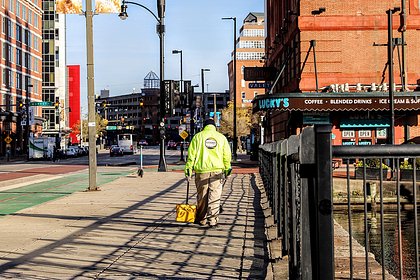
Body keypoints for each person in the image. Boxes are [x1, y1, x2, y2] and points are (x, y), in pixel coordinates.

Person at [185, 118, 232, 228]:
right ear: (214, 127)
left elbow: (191, 156)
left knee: (202, 196)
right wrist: (227, 169)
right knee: (215, 195)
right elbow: (226, 156)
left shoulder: (197, 137)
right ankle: (213, 220)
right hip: (217, 171)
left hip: (202, 171)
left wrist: (188, 171)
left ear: (204, 127)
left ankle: (202, 219)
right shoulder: (221, 138)